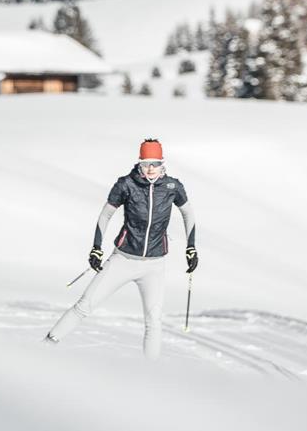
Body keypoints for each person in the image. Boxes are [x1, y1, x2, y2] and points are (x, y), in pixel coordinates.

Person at [45, 139, 198, 359]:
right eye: (146, 163)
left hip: (154, 265)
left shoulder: (173, 186)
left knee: (153, 320)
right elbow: (106, 215)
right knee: (85, 305)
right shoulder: (126, 184)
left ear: (163, 164)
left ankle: (150, 373)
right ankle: (46, 345)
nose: (151, 168)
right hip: (123, 259)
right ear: (139, 163)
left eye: (155, 163)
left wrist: (191, 248)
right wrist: (96, 247)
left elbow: (188, 213)